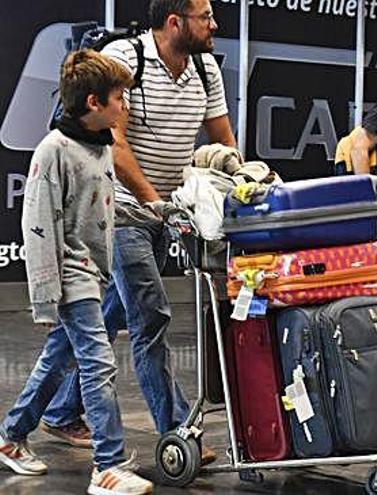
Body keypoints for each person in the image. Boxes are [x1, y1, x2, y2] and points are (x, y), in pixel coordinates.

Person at [39, 0, 235, 459]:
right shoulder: (130, 59)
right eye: (204, 16)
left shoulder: (206, 69)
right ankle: (177, 433)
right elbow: (117, 145)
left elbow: (224, 140)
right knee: (150, 314)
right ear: (175, 22)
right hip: (123, 210)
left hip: (166, 214)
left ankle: (59, 410)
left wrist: (241, 181)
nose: (213, 24)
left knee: (108, 316)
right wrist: (156, 203)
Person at [0, 49, 153, 495]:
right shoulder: (54, 151)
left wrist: (158, 211)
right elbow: (38, 227)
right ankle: (106, 466)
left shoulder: (100, 143)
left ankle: (11, 436)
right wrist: (45, 296)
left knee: (58, 359)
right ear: (93, 102)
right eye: (119, 98)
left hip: (93, 271)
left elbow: (102, 213)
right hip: (70, 276)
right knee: (99, 363)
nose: (124, 106)